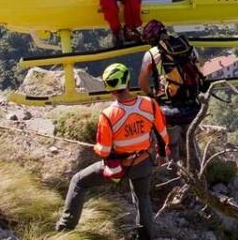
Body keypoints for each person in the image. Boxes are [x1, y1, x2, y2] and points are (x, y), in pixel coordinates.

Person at [55, 63, 169, 239]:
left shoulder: (108, 115)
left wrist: (97, 147)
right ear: (127, 82)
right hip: (144, 162)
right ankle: (146, 237)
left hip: (119, 168)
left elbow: (104, 150)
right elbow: (162, 135)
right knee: (142, 198)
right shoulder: (150, 104)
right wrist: (162, 154)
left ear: (109, 87)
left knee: (78, 182)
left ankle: (64, 228)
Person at [138, 19, 205, 153]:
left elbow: (142, 83)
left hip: (168, 111)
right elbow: (200, 66)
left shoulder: (152, 54)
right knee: (190, 144)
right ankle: (197, 170)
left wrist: (152, 94)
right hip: (192, 107)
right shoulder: (187, 47)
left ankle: (171, 170)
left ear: (152, 38)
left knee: (169, 147)